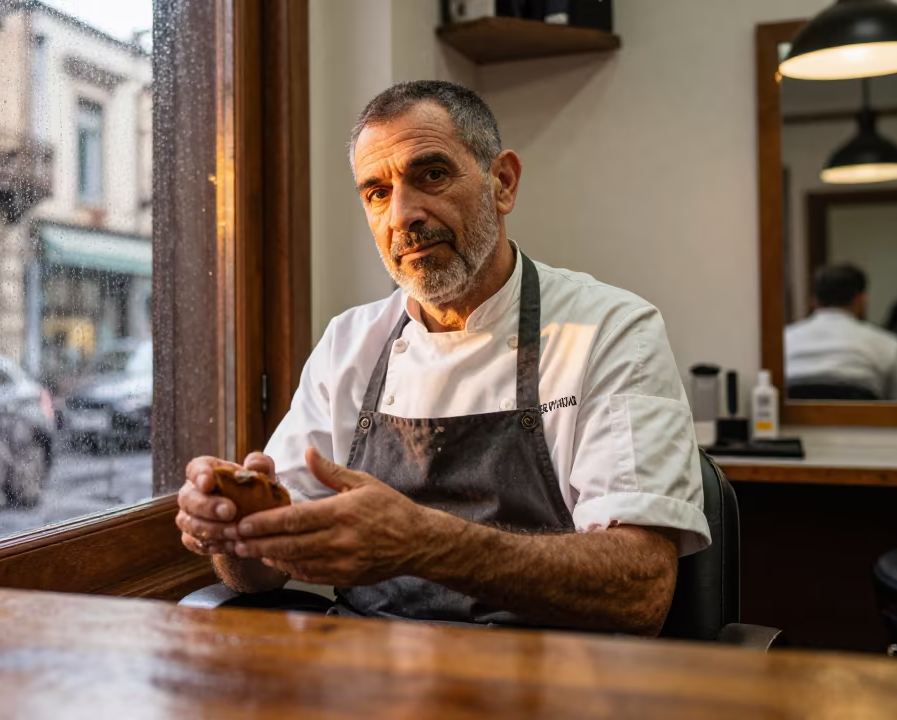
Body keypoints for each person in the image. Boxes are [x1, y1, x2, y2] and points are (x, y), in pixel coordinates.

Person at [176, 80, 708, 636]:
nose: (402, 215)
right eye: (376, 192)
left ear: (502, 183)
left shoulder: (611, 329)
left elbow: (639, 590)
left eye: (430, 175)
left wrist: (424, 542)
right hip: (369, 673)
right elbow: (257, 571)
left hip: (552, 679)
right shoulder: (348, 343)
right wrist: (232, 531)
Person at [785, 264, 897, 401]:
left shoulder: (785, 339)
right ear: (861, 300)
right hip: (862, 421)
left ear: (813, 300)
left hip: (793, 422)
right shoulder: (887, 344)